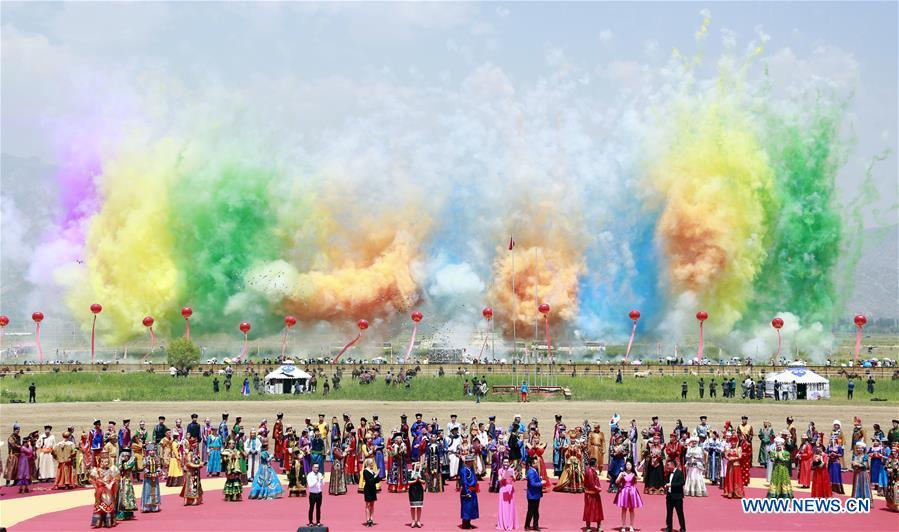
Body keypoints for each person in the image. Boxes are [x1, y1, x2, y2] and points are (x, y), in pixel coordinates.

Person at [89, 453, 119, 528]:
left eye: (106, 462)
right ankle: (99, 521)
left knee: (109, 503)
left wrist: (111, 484)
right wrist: (104, 484)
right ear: (100, 462)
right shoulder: (97, 470)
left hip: (109, 491)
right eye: (102, 462)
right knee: (100, 505)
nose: (104, 463)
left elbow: (116, 477)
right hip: (101, 491)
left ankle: (109, 520)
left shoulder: (112, 469)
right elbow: (93, 479)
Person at [613, 460, 642, 532]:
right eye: (627, 465)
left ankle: (631, 526)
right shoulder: (622, 473)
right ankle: (623, 526)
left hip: (632, 492)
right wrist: (620, 477)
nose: (628, 466)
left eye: (630, 465)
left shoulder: (633, 474)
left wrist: (635, 470)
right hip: (624, 492)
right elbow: (616, 482)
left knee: (632, 510)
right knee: (624, 509)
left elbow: (639, 478)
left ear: (632, 466)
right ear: (625, 466)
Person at [496, 457, 519, 530]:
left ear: (509, 463)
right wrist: (504, 475)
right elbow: (499, 480)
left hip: (510, 489)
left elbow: (515, 480)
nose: (506, 463)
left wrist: (514, 476)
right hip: (503, 489)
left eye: (507, 462)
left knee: (510, 506)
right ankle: (503, 523)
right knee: (503, 507)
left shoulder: (511, 470)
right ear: (502, 463)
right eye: (504, 462)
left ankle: (510, 523)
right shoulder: (500, 470)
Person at [582, 457, 604, 532]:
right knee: (589, 510)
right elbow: (591, 484)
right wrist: (598, 489)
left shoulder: (593, 471)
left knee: (598, 510)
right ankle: (588, 527)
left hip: (595, 494)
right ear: (595, 464)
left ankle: (599, 526)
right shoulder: (590, 472)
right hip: (590, 494)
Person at [181, 439, 204, 506]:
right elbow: (188, 463)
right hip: (191, 472)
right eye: (194, 445)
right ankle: (189, 500)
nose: (196, 446)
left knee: (196, 485)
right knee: (190, 486)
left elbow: (198, 461)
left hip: (196, 472)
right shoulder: (189, 454)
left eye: (196, 445)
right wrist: (198, 465)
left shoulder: (196, 454)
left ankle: (196, 499)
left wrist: (201, 464)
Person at [665, 460, 686, 532]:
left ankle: (683, 528)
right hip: (669, 496)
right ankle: (669, 527)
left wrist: (672, 485)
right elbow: (667, 481)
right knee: (669, 513)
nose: (667, 467)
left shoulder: (679, 473)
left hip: (677, 497)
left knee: (680, 513)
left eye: (668, 465)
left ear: (673, 465)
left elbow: (682, 483)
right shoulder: (668, 473)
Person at [116, 451, 138, 520]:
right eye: (123, 456)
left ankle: (128, 514)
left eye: (127, 456)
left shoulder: (129, 463)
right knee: (120, 497)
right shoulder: (119, 464)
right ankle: (120, 514)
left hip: (127, 481)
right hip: (120, 481)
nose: (125, 457)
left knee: (127, 497)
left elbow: (126, 466)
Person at [460, 455, 480, 529]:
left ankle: (469, 522)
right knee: (466, 508)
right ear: (467, 462)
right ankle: (465, 523)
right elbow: (464, 482)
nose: (472, 462)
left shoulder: (471, 469)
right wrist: (467, 492)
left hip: (472, 490)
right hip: (467, 491)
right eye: (471, 461)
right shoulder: (464, 470)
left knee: (472, 507)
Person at [141, 444, 162, 512]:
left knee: (155, 491)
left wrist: (157, 472)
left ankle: (154, 506)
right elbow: (144, 467)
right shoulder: (146, 459)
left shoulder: (157, 458)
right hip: (148, 478)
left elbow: (159, 466)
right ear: (148, 451)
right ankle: (147, 507)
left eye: (153, 450)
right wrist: (148, 473)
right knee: (147, 491)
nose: (152, 452)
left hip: (155, 477)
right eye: (150, 450)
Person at [408, 460, 426, 528]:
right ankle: (413, 520)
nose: (418, 466)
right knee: (412, 507)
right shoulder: (410, 473)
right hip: (412, 491)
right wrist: (415, 481)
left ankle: (418, 520)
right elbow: (408, 482)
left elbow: (424, 482)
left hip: (419, 491)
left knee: (419, 506)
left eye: (419, 465)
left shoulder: (421, 472)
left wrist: (419, 480)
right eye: (417, 465)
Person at [307, 462, 324, 526]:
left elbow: (322, 484)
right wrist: (316, 480)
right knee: (311, 508)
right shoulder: (309, 475)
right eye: (315, 467)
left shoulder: (319, 474)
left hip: (319, 494)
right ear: (312, 468)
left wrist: (322, 480)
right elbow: (310, 485)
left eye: (317, 467)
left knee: (318, 508)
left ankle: (318, 521)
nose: (317, 468)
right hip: (312, 494)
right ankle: (310, 522)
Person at [363, 458, 379, 527]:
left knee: (372, 505)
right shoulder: (365, 471)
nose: (373, 463)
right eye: (372, 462)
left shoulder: (372, 471)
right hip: (367, 489)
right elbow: (369, 482)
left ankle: (371, 518)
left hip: (373, 489)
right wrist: (375, 476)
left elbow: (376, 481)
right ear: (369, 463)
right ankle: (367, 519)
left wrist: (378, 475)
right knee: (367, 505)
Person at [885, 442, 899, 512]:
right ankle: (892, 505)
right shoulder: (890, 458)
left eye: (894, 451)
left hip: (897, 478)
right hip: (891, 478)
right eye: (892, 451)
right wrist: (887, 468)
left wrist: (894, 470)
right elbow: (886, 465)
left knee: (896, 490)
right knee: (890, 490)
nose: (893, 452)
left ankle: (897, 505)